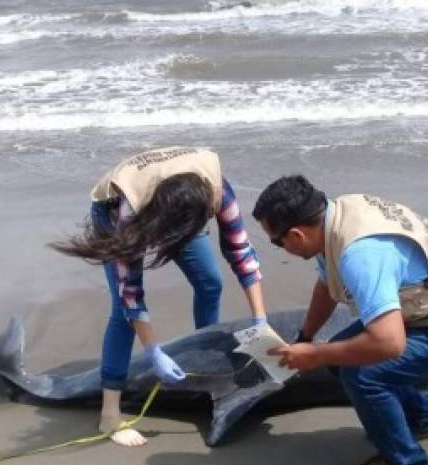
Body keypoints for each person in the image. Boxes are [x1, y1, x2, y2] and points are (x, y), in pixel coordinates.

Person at [252, 176, 428, 465]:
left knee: (363, 374)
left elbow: (388, 343)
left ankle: (405, 463)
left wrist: (316, 355)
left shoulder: (360, 255)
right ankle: (421, 415)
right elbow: (327, 283)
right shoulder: (337, 218)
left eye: (277, 242)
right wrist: (306, 336)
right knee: (342, 354)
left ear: (297, 233)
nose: (279, 248)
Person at [51, 147, 266, 446]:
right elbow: (131, 294)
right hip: (119, 210)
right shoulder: (129, 213)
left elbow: (241, 253)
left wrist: (260, 319)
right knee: (122, 314)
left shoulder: (218, 192)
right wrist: (153, 351)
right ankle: (109, 415)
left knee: (210, 283)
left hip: (180, 206)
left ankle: (204, 368)